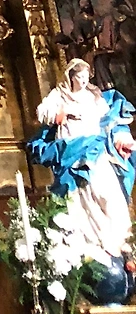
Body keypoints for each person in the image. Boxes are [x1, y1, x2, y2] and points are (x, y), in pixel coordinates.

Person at [28, 58, 135, 292]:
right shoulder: (60, 95)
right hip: (74, 152)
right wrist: (62, 113)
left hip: (97, 150)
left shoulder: (94, 96)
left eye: (87, 76)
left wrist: (121, 137)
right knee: (80, 199)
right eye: (80, 77)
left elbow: (111, 121)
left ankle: (118, 241)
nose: (84, 81)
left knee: (110, 195)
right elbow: (42, 113)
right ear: (71, 77)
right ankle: (92, 242)